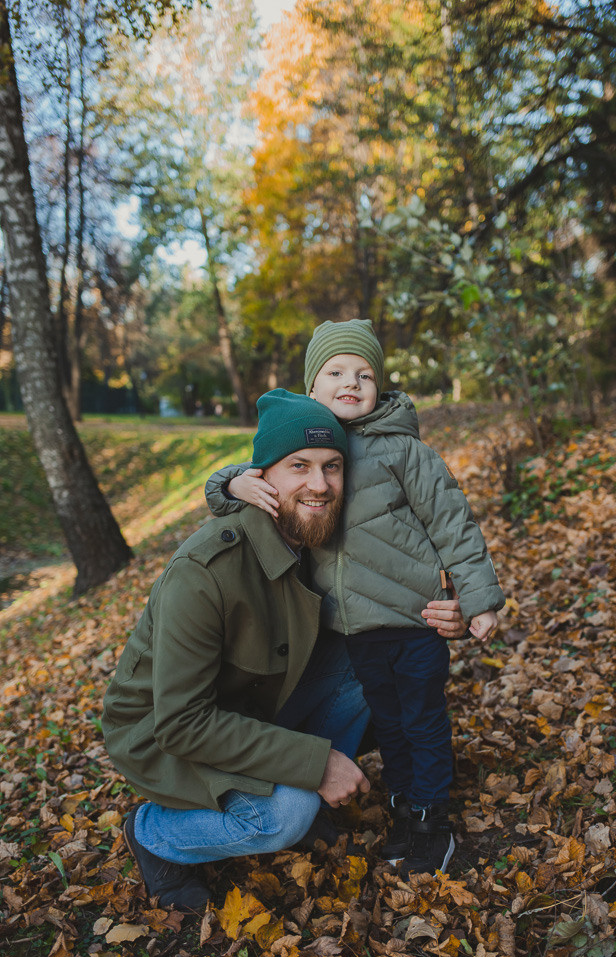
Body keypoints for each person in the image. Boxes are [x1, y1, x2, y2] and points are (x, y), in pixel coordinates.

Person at [102, 389, 464, 913]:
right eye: (299, 466)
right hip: (163, 733)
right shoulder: (204, 574)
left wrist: (443, 611)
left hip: (253, 703)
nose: (319, 485)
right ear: (261, 478)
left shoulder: (320, 537)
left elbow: (407, 568)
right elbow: (180, 722)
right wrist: (315, 765)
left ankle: (295, 783)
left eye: (332, 467)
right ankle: (154, 834)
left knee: (377, 653)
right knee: (284, 815)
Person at [205, 320, 505, 881]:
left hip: (414, 619)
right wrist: (231, 484)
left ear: (381, 385)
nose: (352, 382)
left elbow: (451, 520)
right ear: (311, 388)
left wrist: (478, 598)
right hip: (353, 628)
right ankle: (402, 811)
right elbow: (253, 464)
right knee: (389, 726)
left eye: (365, 374)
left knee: (422, 721)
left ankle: (431, 822)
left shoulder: (403, 450)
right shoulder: (311, 441)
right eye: (336, 372)